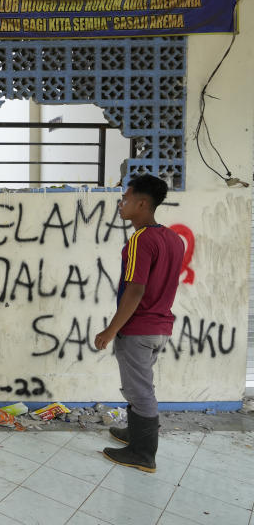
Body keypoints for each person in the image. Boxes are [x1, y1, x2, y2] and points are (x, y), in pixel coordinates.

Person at [93, 173, 184, 474]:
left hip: (138, 328)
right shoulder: (173, 239)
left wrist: (111, 329)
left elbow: (136, 289)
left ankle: (143, 454)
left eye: (126, 199)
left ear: (143, 204)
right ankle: (134, 435)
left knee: (140, 391)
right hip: (160, 327)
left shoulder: (140, 240)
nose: (121, 204)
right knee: (138, 387)